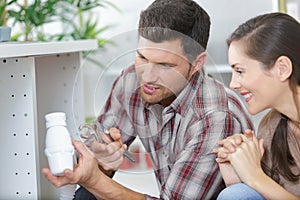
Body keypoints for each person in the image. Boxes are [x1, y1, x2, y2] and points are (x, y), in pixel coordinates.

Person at [42, 0, 253, 199]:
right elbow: (98, 152)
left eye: (165, 65)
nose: (148, 77)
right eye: (142, 57)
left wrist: (94, 180)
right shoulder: (132, 81)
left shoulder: (215, 116)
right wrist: (103, 160)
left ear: (197, 63)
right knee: (86, 195)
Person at [214, 12, 300, 200]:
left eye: (240, 71)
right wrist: (237, 179)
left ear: (282, 69)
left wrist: (255, 177)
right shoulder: (272, 128)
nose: (233, 84)